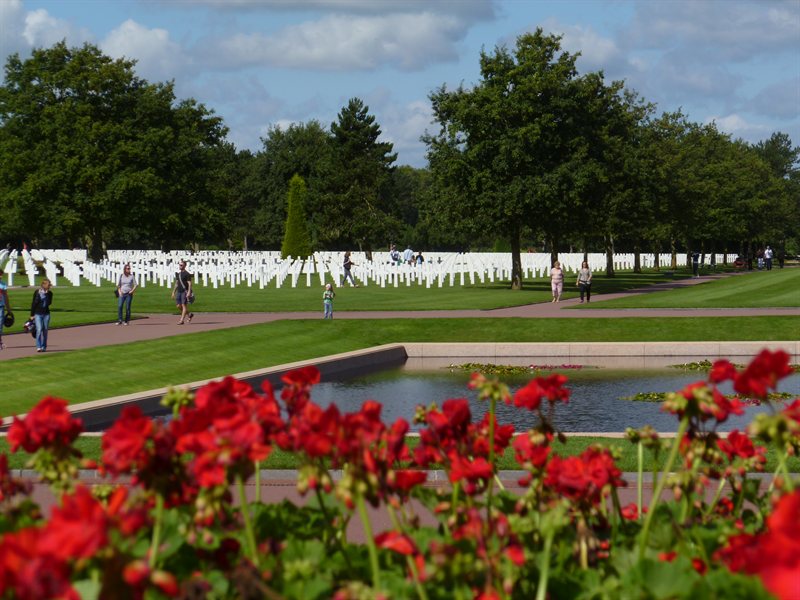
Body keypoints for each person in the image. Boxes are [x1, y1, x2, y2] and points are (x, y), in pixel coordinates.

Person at [30, 278, 52, 352]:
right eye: (48, 285)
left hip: (46, 314)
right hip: (38, 313)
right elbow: (34, 303)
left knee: (45, 330)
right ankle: (38, 346)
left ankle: (44, 346)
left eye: (49, 285)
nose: (49, 286)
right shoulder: (37, 292)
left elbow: (49, 303)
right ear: (43, 285)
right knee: (39, 329)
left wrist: (47, 294)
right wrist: (32, 314)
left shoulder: (50, 293)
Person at [171, 260, 194, 325]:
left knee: (184, 305)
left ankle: (181, 320)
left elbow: (189, 284)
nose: (180, 266)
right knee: (178, 306)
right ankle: (189, 314)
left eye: (181, 265)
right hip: (179, 291)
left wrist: (189, 292)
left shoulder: (187, 274)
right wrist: (173, 292)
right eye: (179, 265)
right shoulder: (179, 274)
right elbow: (176, 283)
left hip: (184, 292)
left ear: (184, 266)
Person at [0, 268, 12, 350]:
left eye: (1, 274)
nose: (1, 276)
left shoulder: (3, 284)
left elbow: (6, 297)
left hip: (1, 306)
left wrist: (8, 308)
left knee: (0, 325)